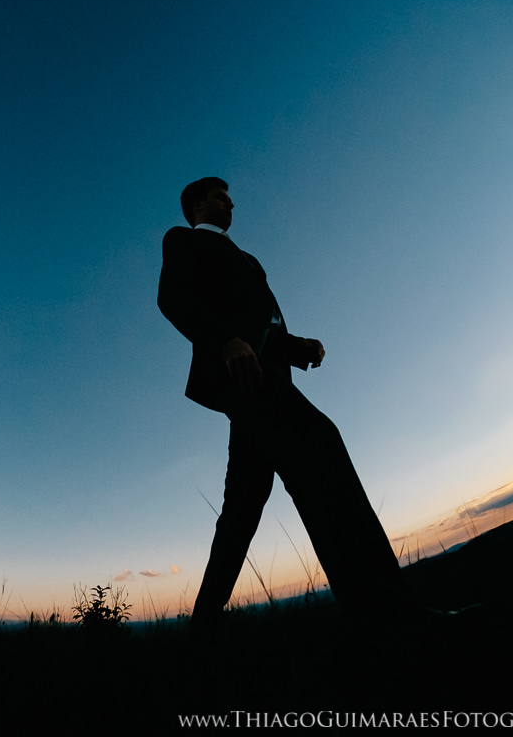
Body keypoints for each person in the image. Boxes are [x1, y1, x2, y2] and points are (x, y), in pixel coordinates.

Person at [158, 177, 411, 630]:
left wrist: (298, 347)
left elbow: (264, 327)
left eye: (230, 199)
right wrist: (224, 341)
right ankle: (388, 617)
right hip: (248, 386)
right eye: (220, 197)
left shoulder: (248, 260)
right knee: (321, 446)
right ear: (196, 204)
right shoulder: (183, 241)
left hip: (265, 384)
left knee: (240, 512)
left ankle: (200, 633)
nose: (231, 204)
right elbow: (173, 298)